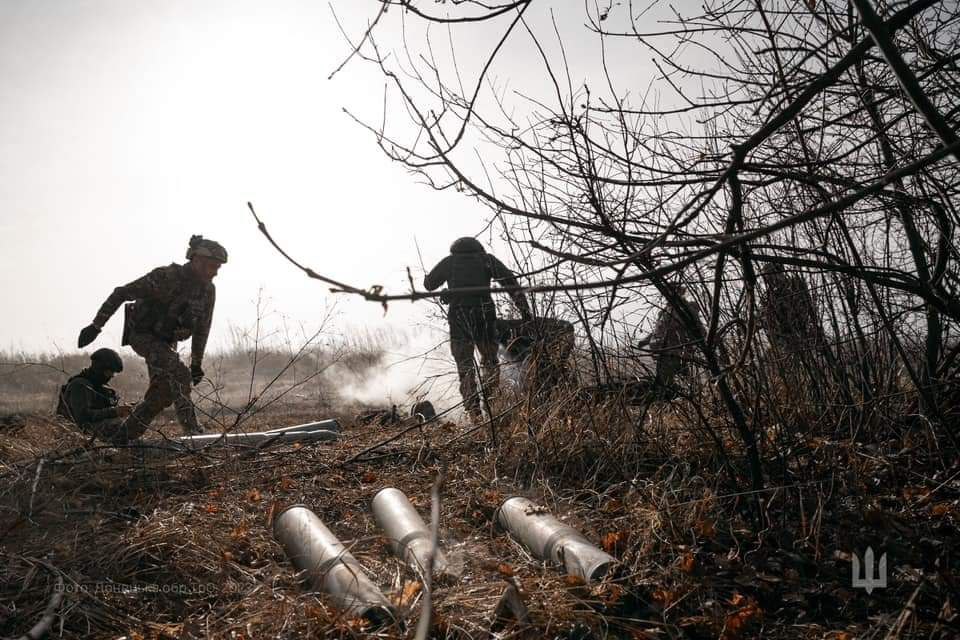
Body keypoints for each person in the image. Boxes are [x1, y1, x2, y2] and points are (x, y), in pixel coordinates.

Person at [76, 235, 227, 436]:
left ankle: (124, 435)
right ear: (197, 260)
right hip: (142, 335)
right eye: (211, 266)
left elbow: (202, 329)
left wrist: (197, 363)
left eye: (218, 268)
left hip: (167, 342)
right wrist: (96, 326)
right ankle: (193, 433)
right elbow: (121, 293)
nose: (215, 273)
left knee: (161, 394)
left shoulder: (207, 290)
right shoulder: (165, 277)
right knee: (180, 374)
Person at [424, 237, 532, 422]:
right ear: (478, 249)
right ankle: (492, 407)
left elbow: (429, 284)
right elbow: (511, 283)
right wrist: (525, 312)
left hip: (459, 320)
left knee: (465, 369)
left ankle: (474, 415)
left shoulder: (450, 262)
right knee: (490, 362)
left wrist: (447, 291)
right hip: (484, 318)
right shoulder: (486, 259)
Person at [57, 348, 138, 443]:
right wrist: (114, 412)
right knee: (119, 425)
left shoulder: (101, 386)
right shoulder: (80, 385)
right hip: (77, 433)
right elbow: (82, 417)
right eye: (109, 371)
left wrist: (122, 410)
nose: (112, 376)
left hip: (94, 431)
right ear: (99, 369)